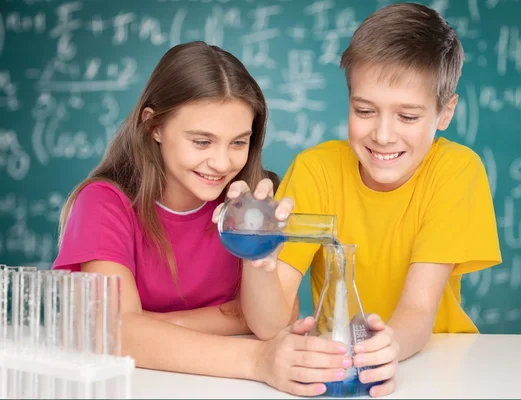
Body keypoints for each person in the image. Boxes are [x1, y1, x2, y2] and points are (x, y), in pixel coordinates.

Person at [217, 3, 502, 397]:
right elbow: (268, 326)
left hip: (433, 366)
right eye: (365, 110)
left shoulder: (456, 172)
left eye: (407, 116)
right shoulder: (316, 170)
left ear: (444, 112)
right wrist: (258, 258)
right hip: (340, 362)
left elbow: (419, 310)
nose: (383, 136)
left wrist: (387, 347)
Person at [52, 41, 351, 397]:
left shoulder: (251, 202)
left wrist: (258, 259)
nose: (222, 163)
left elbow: (270, 325)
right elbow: (116, 332)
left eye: (238, 143)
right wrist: (254, 357)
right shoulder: (104, 204)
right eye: (202, 142)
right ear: (154, 126)